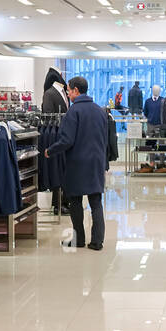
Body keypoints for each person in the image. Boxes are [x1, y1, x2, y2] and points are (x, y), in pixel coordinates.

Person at [45, 76, 107, 250]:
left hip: (77, 163)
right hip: (96, 162)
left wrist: (50, 150)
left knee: (75, 202)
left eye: (69, 90)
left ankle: (78, 239)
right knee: (96, 202)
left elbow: (67, 140)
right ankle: (97, 241)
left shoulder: (73, 112)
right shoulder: (100, 110)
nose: (68, 94)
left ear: (76, 91)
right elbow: (105, 139)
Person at [41, 66, 68, 214]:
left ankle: (64, 201)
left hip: (64, 136)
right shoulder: (50, 94)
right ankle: (58, 204)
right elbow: (47, 115)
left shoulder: (64, 92)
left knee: (64, 170)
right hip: (54, 136)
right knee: (56, 170)